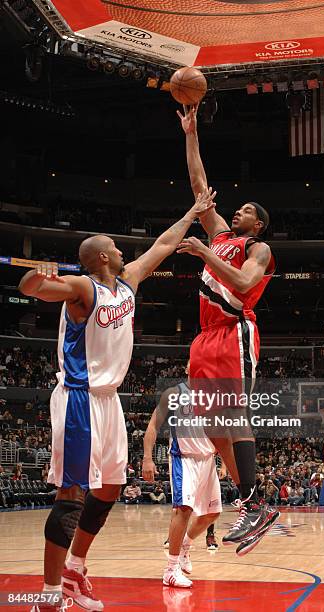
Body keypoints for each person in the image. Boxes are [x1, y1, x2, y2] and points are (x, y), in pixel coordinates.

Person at [18, 190, 216, 612]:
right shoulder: (81, 288)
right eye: (115, 246)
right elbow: (31, 288)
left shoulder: (126, 285)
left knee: (111, 486)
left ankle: (75, 569)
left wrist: (191, 213)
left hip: (110, 401)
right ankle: (50, 597)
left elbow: (162, 245)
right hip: (78, 399)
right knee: (71, 494)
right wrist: (39, 274)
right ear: (102, 257)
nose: (123, 250)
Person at [177, 104, 279, 555]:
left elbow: (240, 283)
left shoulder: (258, 249)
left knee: (234, 415)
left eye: (245, 211)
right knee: (211, 423)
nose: (236, 212)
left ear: (257, 224)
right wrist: (191, 132)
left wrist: (204, 254)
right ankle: (253, 502)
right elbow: (200, 186)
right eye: (236, 209)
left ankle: (254, 504)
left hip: (234, 331)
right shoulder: (218, 231)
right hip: (204, 338)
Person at [142, 362, 221, 588]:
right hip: (183, 457)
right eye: (193, 365)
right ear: (187, 368)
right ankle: (170, 569)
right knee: (183, 510)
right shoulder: (174, 393)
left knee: (213, 513)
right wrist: (148, 458)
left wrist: (223, 460)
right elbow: (153, 425)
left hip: (207, 459)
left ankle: (185, 545)